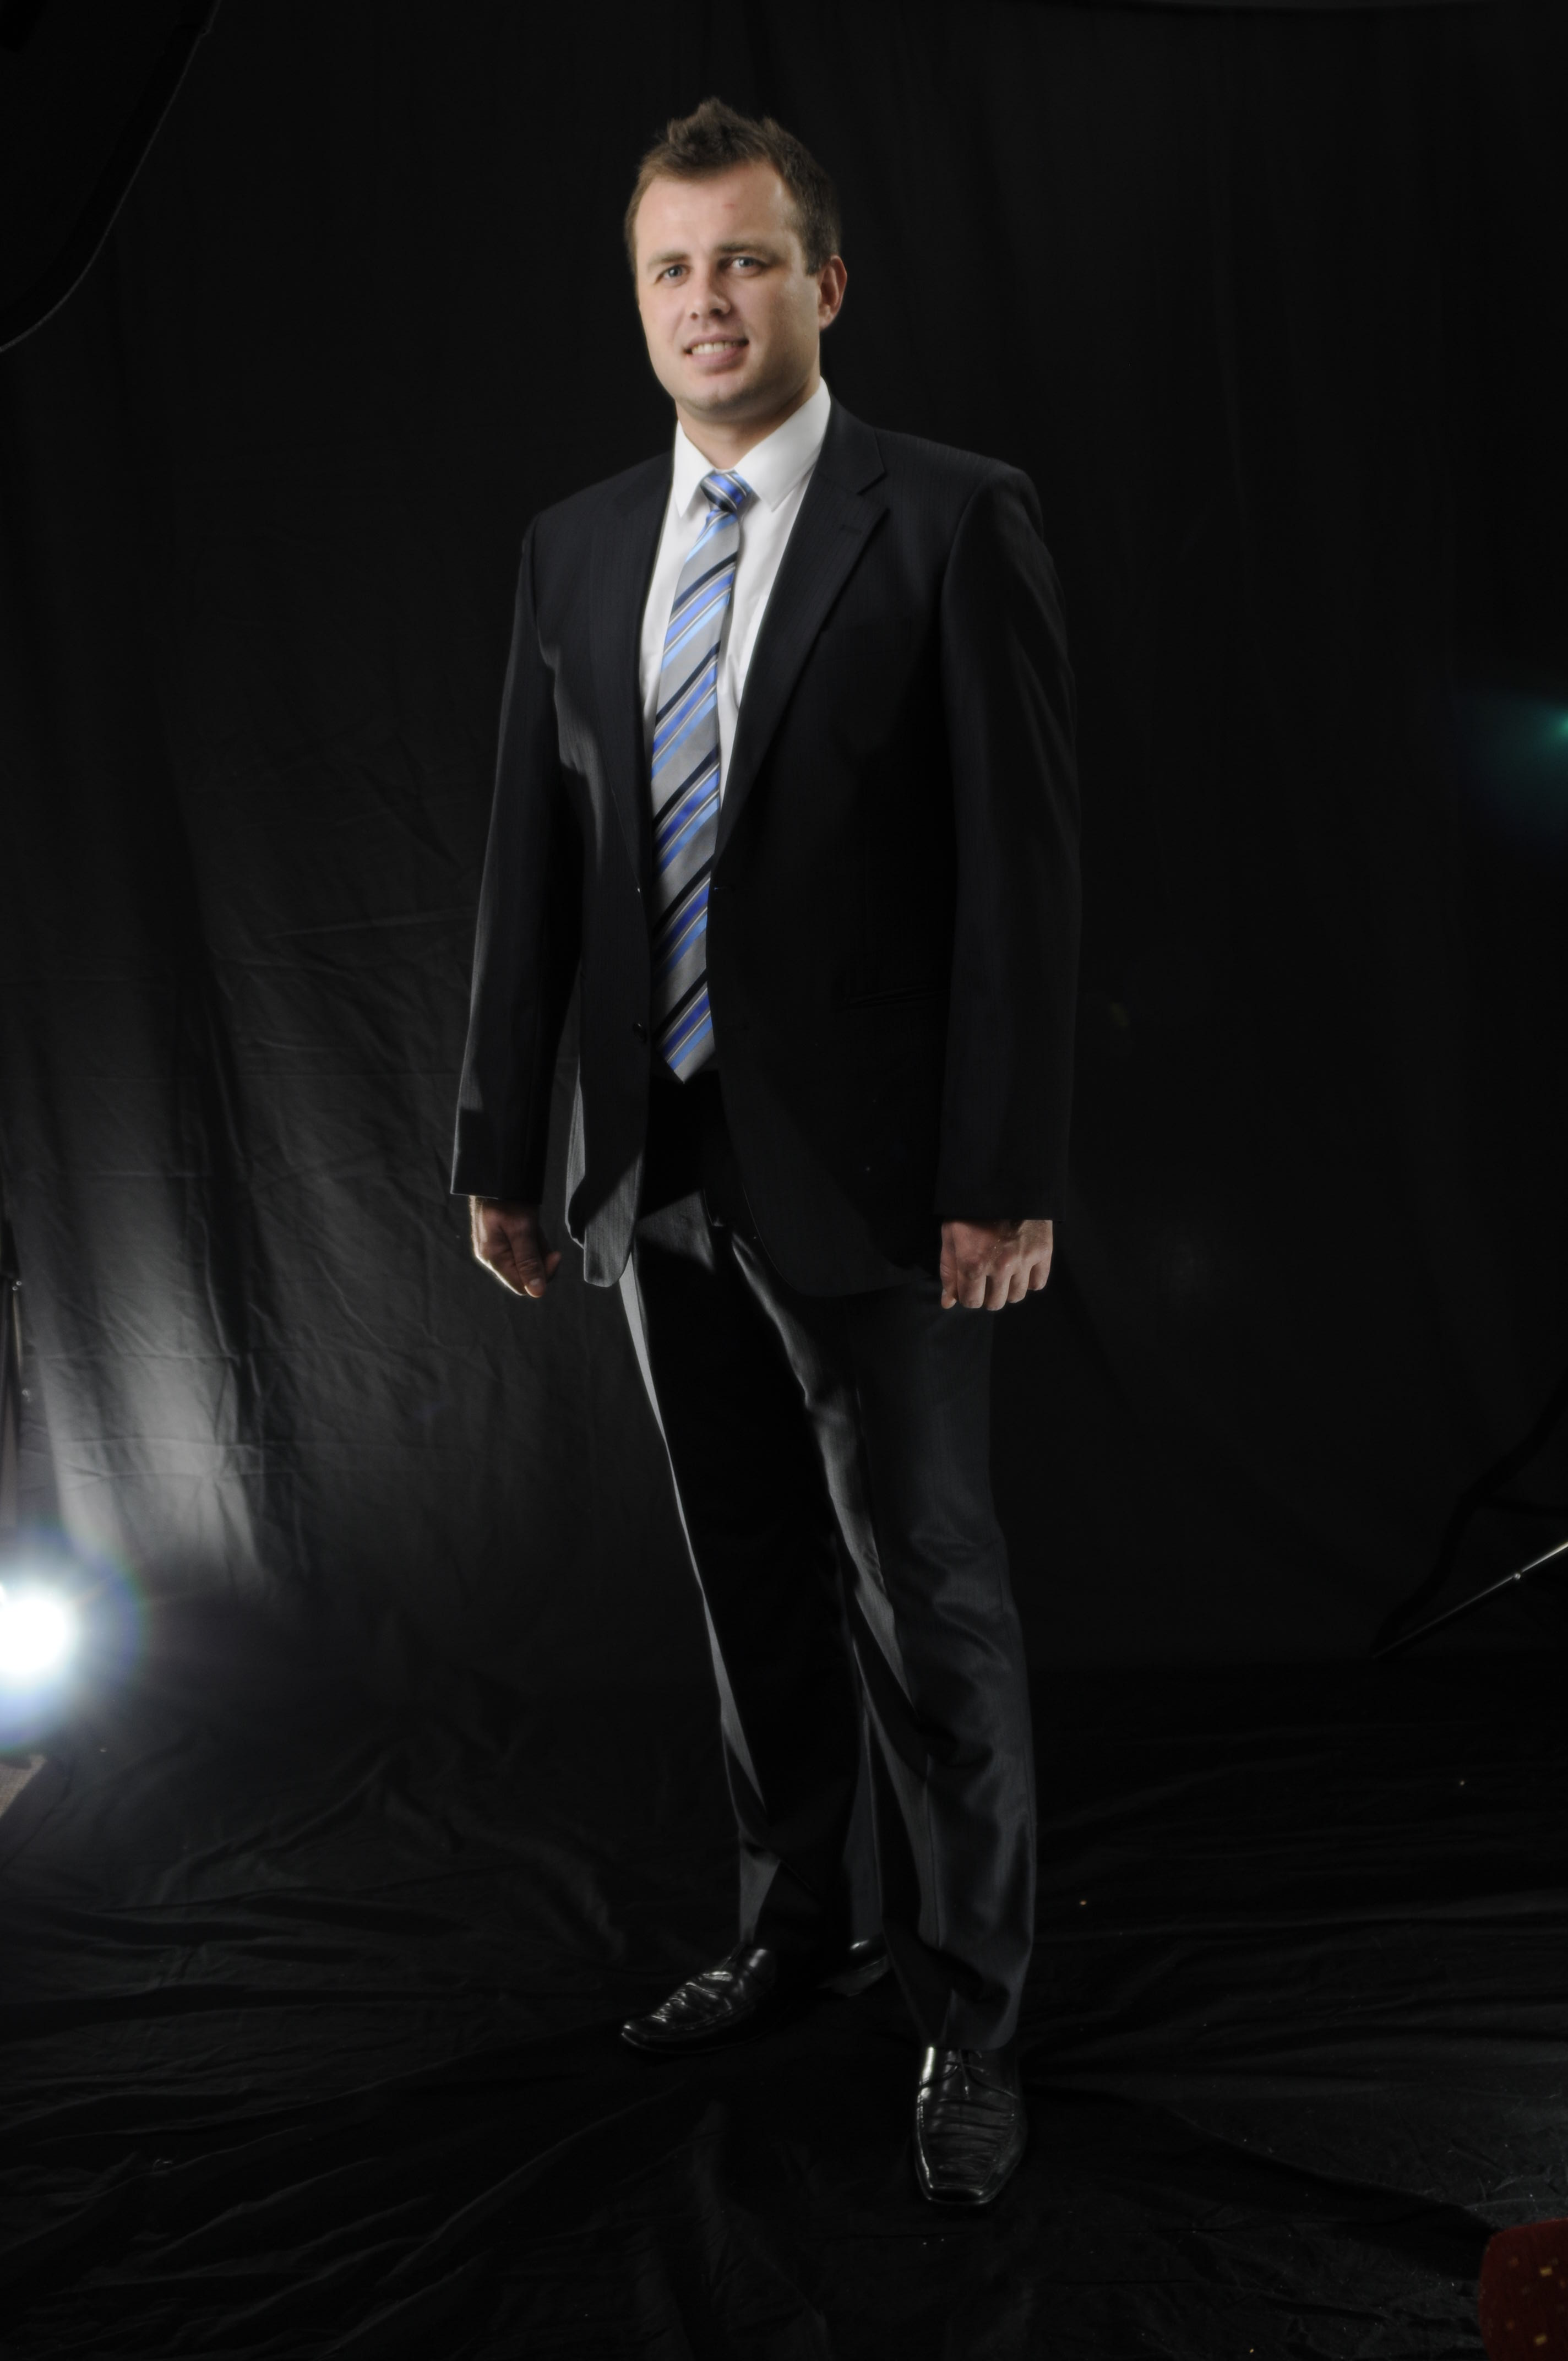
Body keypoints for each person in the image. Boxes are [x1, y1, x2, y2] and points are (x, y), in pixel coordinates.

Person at [452, 97, 1080, 2208]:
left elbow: (1022, 880)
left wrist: (1005, 1171)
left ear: (826, 283)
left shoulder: (952, 517)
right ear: (638, 304)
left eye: (742, 260)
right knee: (749, 1583)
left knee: (928, 1600)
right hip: (658, 1169)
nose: (706, 300)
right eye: (670, 269)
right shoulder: (571, 549)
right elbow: (533, 871)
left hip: (888, 1181)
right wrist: (505, 1146)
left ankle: (972, 2015)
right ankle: (794, 1930)